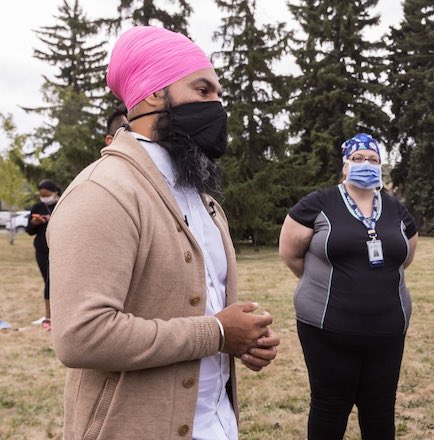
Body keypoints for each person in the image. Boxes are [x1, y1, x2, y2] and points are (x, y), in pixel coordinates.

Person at [48, 26, 279, 439]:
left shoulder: (203, 199)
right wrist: (219, 332)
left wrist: (241, 340)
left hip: (216, 424)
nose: (218, 106)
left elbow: (198, 307)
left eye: (218, 94)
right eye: (203, 90)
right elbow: (81, 337)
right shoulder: (103, 192)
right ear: (154, 94)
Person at [278, 133, 418, 440]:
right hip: (327, 329)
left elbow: (404, 258)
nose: (366, 164)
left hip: (388, 329)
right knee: (330, 407)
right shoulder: (318, 203)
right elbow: (290, 254)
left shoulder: (397, 210)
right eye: (358, 158)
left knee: (380, 409)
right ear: (345, 166)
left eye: (373, 159)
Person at [26, 179, 61, 330]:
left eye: (46, 194)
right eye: (41, 194)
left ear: (55, 192)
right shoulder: (37, 207)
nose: (44, 197)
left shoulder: (62, 204)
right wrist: (35, 222)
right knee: (48, 281)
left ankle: (54, 316)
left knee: (54, 281)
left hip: (59, 248)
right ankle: (50, 316)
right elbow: (29, 231)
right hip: (42, 249)